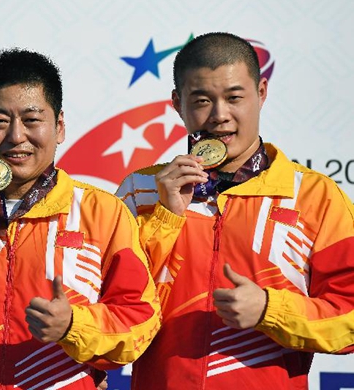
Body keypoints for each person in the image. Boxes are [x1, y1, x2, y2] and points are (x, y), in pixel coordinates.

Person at [0, 48, 161, 389]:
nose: (16, 136)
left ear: (60, 126)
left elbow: (140, 319)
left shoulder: (102, 213)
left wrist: (73, 326)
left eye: (32, 119)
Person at [116, 32, 354, 389]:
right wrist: (164, 215)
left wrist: (270, 310)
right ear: (177, 103)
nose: (219, 116)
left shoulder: (313, 195)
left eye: (234, 97)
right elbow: (116, 309)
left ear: (261, 93)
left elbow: (349, 317)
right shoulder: (140, 190)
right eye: (201, 100)